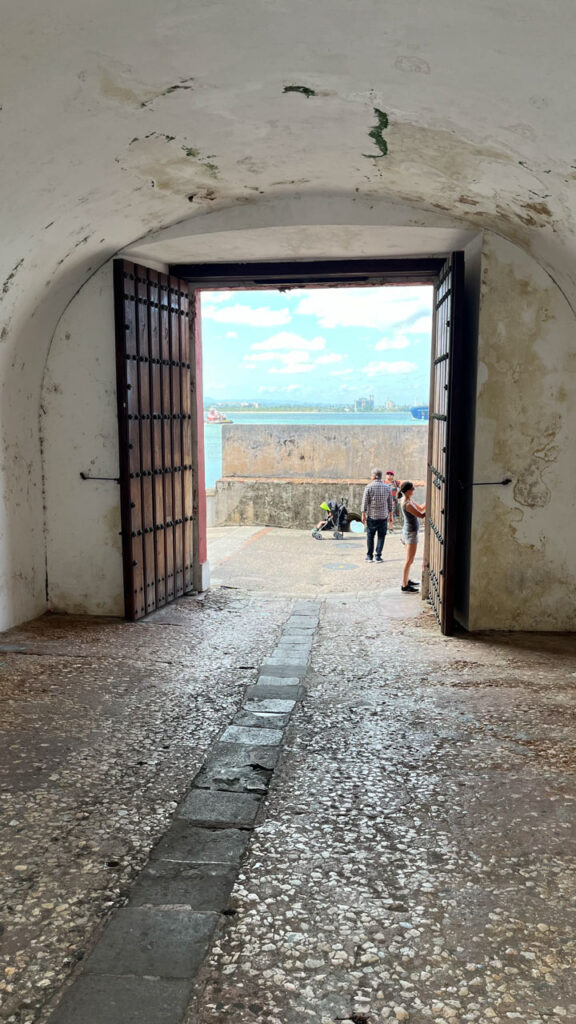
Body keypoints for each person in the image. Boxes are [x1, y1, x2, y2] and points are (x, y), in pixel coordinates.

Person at [399, 480, 426, 592]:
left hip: (408, 532)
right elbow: (421, 515)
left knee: (409, 560)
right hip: (410, 534)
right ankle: (404, 585)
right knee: (409, 560)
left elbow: (420, 508)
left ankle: (406, 580)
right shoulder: (407, 504)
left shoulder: (407, 500)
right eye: (412, 488)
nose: (414, 490)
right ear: (408, 491)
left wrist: (429, 500)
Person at [361, 468, 393, 563]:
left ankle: (369, 556)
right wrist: (390, 515)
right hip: (383, 516)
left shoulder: (369, 487)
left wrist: (363, 514)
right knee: (381, 536)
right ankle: (378, 556)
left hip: (372, 516)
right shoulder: (387, 487)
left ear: (374, 476)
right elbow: (390, 503)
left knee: (370, 536)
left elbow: (364, 502)